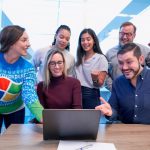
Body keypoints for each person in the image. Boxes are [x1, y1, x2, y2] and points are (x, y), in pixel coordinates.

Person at [0, 25, 43, 133]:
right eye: (24, 40)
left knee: (15, 142)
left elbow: (29, 93)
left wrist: (42, 116)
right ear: (11, 42)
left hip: (16, 110)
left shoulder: (28, 68)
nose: (28, 44)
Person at [96, 43, 150, 124]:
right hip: (125, 134)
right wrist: (110, 112)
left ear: (141, 59)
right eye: (121, 63)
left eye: (129, 62)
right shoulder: (118, 82)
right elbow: (114, 111)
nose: (124, 67)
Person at [106, 22, 150, 91]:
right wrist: (113, 88)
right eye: (122, 33)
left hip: (141, 93)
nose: (124, 37)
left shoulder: (145, 51)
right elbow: (106, 74)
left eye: (128, 34)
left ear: (134, 35)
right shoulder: (109, 53)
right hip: (119, 93)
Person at [75, 28, 108, 109]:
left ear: (94, 41)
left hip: (91, 95)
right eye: (82, 40)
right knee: (75, 120)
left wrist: (95, 78)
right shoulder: (79, 58)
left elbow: (99, 84)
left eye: (88, 39)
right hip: (76, 94)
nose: (85, 42)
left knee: (90, 121)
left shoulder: (101, 58)